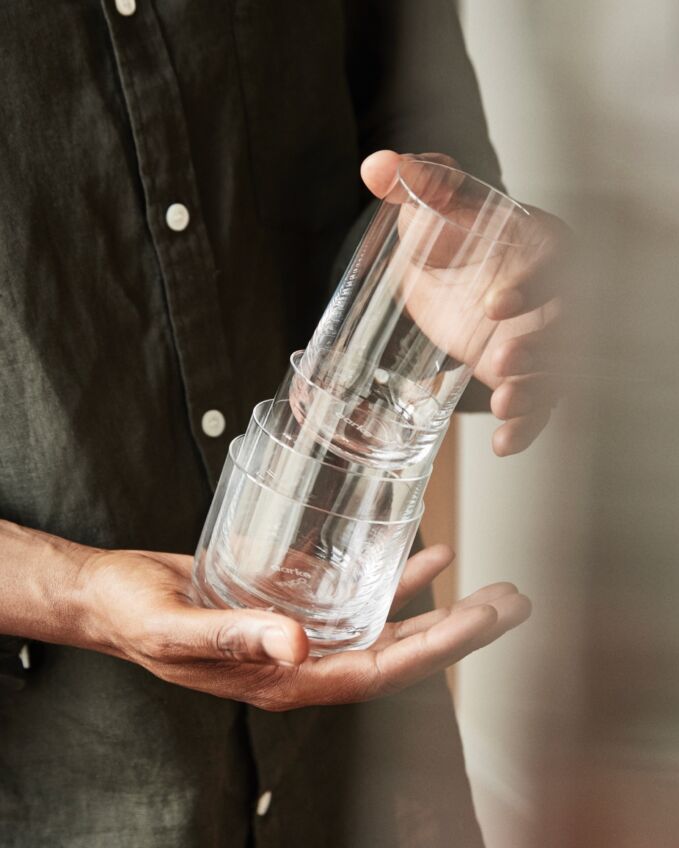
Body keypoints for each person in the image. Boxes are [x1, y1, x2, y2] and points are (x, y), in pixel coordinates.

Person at [0, 2, 562, 846]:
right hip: (59, 766)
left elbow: (436, 181)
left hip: (357, 742)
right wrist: (70, 591)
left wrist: (496, 295)